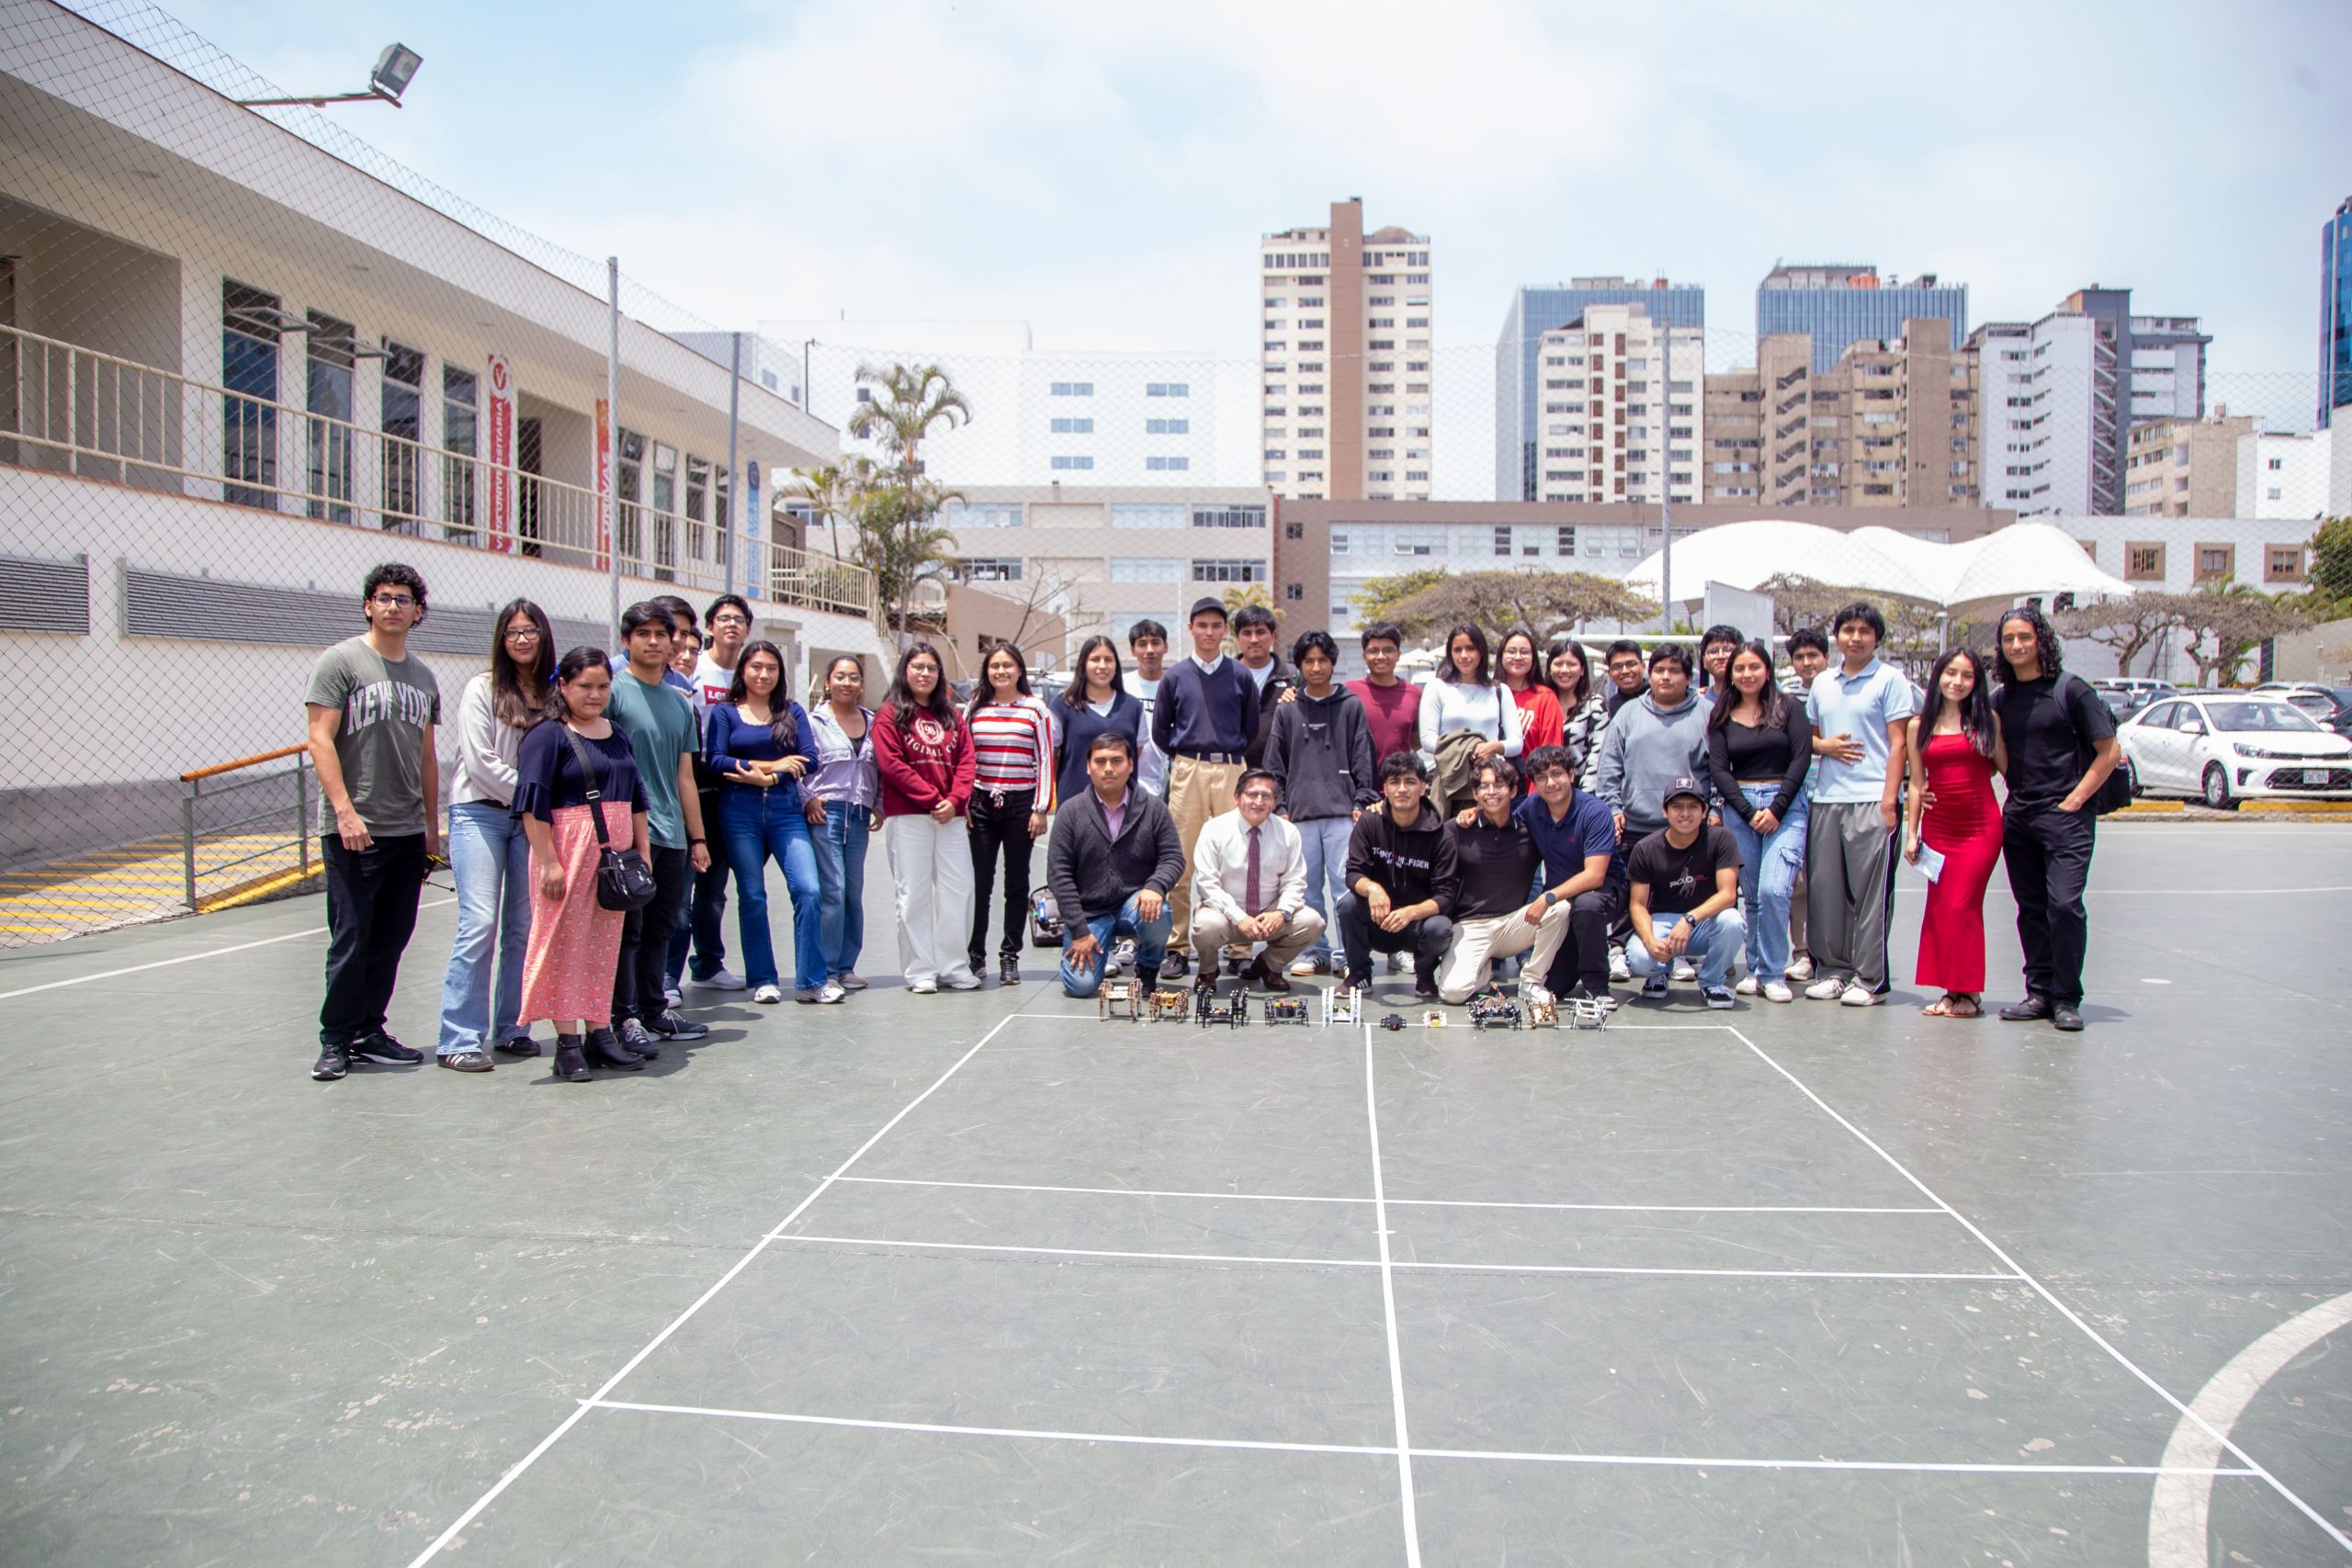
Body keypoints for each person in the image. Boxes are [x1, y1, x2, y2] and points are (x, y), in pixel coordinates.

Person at [306, 563, 442, 1082]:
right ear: (368, 606)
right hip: (355, 830)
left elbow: (427, 757)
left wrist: (430, 825)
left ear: (417, 611)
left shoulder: (424, 677)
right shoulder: (340, 661)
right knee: (352, 939)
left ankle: (369, 1030)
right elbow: (319, 739)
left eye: (403, 599)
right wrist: (344, 811)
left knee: (391, 939)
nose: (392, 606)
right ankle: (336, 1039)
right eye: (383, 597)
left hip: (406, 831)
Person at [514, 649, 652, 1081]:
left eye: (603, 686)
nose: (595, 695)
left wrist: (643, 852)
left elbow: (636, 798)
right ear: (563, 685)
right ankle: (568, 1044)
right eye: (585, 686)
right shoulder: (547, 736)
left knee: (602, 946)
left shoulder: (616, 733)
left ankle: (599, 1035)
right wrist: (549, 862)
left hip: (613, 859)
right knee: (563, 945)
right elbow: (532, 806)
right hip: (568, 851)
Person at [435, 598, 550, 1072]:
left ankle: (512, 1028)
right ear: (501, 640)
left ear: (543, 636)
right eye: (512, 632)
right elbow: (479, 762)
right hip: (479, 814)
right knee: (480, 922)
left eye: (530, 631)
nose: (521, 640)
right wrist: (534, 795)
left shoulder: (553, 693)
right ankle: (458, 1038)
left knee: (523, 927)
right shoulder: (481, 688)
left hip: (530, 821)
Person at [1992, 605, 2119, 1033]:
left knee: (2064, 906)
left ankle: (2066, 998)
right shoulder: (2001, 698)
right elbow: (1996, 753)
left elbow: (2109, 751)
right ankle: (2039, 992)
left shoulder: (2070, 690)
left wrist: (2077, 798)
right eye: (2009, 639)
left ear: (2041, 640)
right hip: (2020, 816)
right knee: (2031, 909)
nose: (2016, 645)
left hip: (2067, 818)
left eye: (2024, 637)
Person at [605, 603, 713, 1053]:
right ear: (626, 640)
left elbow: (685, 777)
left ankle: (653, 1009)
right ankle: (623, 1017)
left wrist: (697, 837)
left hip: (671, 835)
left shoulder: (680, 704)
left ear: (674, 643)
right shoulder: (612, 692)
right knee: (628, 931)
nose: (653, 641)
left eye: (661, 634)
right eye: (643, 633)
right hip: (627, 833)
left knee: (662, 926)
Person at [1803, 602, 1916, 1007]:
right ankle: (1834, 971)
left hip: (1872, 799)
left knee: (1870, 897)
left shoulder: (1891, 680)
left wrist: (1890, 800)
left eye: (1864, 631)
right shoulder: (1822, 683)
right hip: (1827, 799)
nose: (1855, 638)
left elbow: (1899, 743)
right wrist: (1824, 746)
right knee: (1825, 891)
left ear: (1876, 639)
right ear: (1836, 636)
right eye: (1848, 630)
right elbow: (1810, 738)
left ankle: (1870, 979)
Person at [706, 639, 823, 1004]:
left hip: (785, 809)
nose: (763, 674)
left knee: (808, 889)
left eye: (771, 668)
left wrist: (771, 780)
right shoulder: (725, 713)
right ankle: (763, 979)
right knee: (753, 894)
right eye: (756, 666)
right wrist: (770, 766)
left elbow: (809, 759)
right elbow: (716, 760)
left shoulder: (792, 711)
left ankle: (811, 981)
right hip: (738, 810)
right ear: (743, 670)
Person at [1153, 597, 1261, 978]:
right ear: (1190, 628)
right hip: (1188, 769)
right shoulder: (1175, 677)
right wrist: (1189, 758)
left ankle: (1240, 948)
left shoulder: (1240, 675)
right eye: (1202, 625)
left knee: (1239, 860)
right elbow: (1161, 730)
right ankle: (1178, 947)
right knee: (1181, 861)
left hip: (1232, 769)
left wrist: (1228, 755)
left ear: (1225, 631)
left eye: (1216, 625)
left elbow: (1251, 728)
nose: (1209, 632)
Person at [1705, 639, 1813, 1004]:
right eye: (1740, 668)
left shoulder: (1790, 709)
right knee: (1751, 895)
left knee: (1773, 890)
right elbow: (1720, 770)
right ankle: (1754, 969)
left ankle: (1773, 972)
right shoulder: (1721, 716)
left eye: (1754, 667)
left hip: (1786, 805)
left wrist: (1777, 809)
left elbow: (1801, 759)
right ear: (1731, 674)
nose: (1747, 674)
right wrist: (1748, 812)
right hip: (1741, 808)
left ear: (1768, 671)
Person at [1904, 649, 2007, 1020]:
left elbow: (2002, 767)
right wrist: (1912, 833)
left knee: (1962, 906)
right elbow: (1917, 782)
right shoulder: (1919, 725)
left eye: (1967, 675)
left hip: (1980, 827)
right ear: (1938, 676)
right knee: (1942, 908)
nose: (1957, 682)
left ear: (1977, 682)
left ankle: (1970, 994)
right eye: (1951, 673)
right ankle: (1952, 991)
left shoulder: (1987, 720)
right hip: (1938, 828)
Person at [1267, 629, 1376, 976]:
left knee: (1346, 888)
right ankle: (1315, 952)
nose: (1316, 667)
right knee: (1306, 891)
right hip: (1299, 817)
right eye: (1309, 661)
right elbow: (1274, 764)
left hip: (1344, 814)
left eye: (1323, 660)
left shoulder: (1350, 705)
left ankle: (1348, 955)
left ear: (1333, 663)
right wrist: (1281, 808)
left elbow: (1363, 757)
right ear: (1299, 665)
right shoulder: (1286, 710)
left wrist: (1362, 800)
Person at [875, 642, 980, 993]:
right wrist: (934, 799)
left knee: (959, 890)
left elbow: (966, 761)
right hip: (909, 817)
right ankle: (921, 970)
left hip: (951, 818)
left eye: (931, 668)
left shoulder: (951, 714)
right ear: (905, 670)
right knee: (913, 896)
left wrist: (955, 800)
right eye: (918, 666)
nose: (925, 673)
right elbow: (892, 765)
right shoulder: (890, 714)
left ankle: (954, 966)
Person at [1048, 732, 1183, 998]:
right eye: (1100, 761)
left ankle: (1147, 967)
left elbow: (1173, 857)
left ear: (1131, 765)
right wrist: (1079, 931)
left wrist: (1155, 886)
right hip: (1088, 913)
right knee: (1081, 986)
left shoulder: (1154, 808)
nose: (1108, 768)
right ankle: (1096, 948)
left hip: (1134, 904)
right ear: (1088, 767)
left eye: (1117, 761)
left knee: (1160, 913)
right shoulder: (1070, 812)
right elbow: (1058, 875)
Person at [1433, 756, 1573, 1003]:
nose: (1492, 792)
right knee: (1453, 993)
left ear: (1513, 791)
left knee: (1559, 908)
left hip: (1513, 924)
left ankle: (1531, 981)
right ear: (1475, 794)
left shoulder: (1530, 831)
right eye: (1484, 786)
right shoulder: (1456, 829)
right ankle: (1481, 972)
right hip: (1470, 926)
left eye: (1499, 785)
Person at [965, 641, 1057, 987]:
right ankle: (975, 953)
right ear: (987, 671)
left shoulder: (1035, 709)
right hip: (981, 806)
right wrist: (964, 802)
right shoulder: (975, 708)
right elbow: (965, 758)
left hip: (1021, 807)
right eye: (995, 666)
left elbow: (1045, 759)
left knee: (1016, 884)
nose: (1001, 671)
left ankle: (1009, 954)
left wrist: (1040, 808)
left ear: (1019, 670)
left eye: (1008, 665)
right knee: (980, 884)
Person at [677, 593, 755, 994]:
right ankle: (665, 976)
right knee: (679, 889)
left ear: (748, 629)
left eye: (739, 619)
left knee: (712, 890)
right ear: (710, 627)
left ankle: (707, 965)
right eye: (724, 619)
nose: (731, 625)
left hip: (728, 788)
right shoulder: (693, 666)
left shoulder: (750, 673)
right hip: (688, 784)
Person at [1188, 769, 1324, 990]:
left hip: (1269, 913)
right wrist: (1240, 917)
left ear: (1275, 802)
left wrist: (1281, 913)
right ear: (1237, 797)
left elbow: (1295, 882)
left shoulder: (1288, 832)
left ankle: (1269, 965)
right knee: (1206, 926)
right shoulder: (1214, 829)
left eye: (1266, 796)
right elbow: (1207, 884)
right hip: (1226, 914)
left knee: (1312, 922)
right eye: (1252, 794)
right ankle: (1208, 971)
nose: (1259, 802)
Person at [1337, 752, 1459, 998]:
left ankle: (1425, 975)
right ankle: (1359, 974)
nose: (1402, 789)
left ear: (1423, 788)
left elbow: (1446, 896)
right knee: (1348, 904)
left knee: (1440, 927)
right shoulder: (1370, 822)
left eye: (1410, 782)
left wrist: (1410, 913)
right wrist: (1373, 888)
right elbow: (1353, 873)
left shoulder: (1441, 835)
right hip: (1378, 918)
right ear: (1385, 788)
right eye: (1395, 782)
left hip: (1417, 924)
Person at [1510, 745, 1622, 1004]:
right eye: (1541, 778)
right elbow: (1502, 820)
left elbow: (1594, 876)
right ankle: (1577, 960)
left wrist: (1547, 897)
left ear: (1572, 775)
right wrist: (1473, 813)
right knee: (1555, 985)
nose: (1550, 783)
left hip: (1603, 891)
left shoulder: (1595, 812)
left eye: (1557, 774)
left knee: (1586, 904)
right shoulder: (1532, 806)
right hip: (1562, 899)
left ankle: (1597, 985)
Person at [1625, 776, 1747, 1009]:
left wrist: (1690, 919)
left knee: (1732, 921)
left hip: (1704, 923)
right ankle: (1659, 973)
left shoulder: (1721, 838)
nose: (1685, 814)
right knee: (1640, 958)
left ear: (1704, 811)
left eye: (1693, 807)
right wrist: (1650, 941)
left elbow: (1728, 894)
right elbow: (1637, 904)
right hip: (1663, 924)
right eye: (1677, 807)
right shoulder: (1646, 848)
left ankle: (1712, 982)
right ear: (1664, 811)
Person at [806, 655, 880, 997]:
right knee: (832, 891)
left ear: (861, 684)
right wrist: (807, 798)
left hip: (859, 815)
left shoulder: (872, 722)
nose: (846, 683)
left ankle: (847, 966)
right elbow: (800, 767)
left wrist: (878, 804)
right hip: (826, 813)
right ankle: (826, 970)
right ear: (827, 682)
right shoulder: (813, 722)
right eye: (840, 676)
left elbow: (879, 769)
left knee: (853, 892)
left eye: (853, 677)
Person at [1589, 643, 1714, 845]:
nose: (1665, 677)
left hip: (1691, 826)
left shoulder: (1708, 713)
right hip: (1634, 827)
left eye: (1674, 671)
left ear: (1688, 678)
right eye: (1659, 670)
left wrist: (1715, 809)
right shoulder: (1628, 713)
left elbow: (1719, 768)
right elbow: (1609, 767)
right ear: (1650, 674)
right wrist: (1613, 808)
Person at [1419, 623, 1525, 816]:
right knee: (1447, 831)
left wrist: (1493, 747)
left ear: (1481, 651)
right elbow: (1427, 740)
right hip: (1448, 779)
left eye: (1470, 648)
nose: (1464, 655)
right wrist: (1470, 750)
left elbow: (1516, 743)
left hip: (1490, 780)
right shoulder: (1437, 687)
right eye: (1457, 649)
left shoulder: (1499, 690)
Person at [1781, 626, 1833, 984]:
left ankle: (1834, 954)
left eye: (1813, 655)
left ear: (1827, 657)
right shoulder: (1786, 697)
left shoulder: (1839, 690)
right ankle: (1802, 954)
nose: (1806, 662)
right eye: (1799, 657)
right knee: (1797, 881)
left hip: (1836, 797)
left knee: (1830, 881)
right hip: (1799, 797)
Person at [1054, 634, 1145, 808]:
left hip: (1123, 808)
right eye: (1095, 659)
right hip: (1074, 805)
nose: (1102, 666)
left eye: (1108, 660)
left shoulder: (1133, 706)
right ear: (1083, 664)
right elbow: (1052, 758)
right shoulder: (1062, 706)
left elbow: (1136, 752)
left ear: (1116, 665)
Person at [1347, 621, 1424, 773]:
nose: (1381, 656)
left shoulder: (1414, 694)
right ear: (1364, 657)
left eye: (1388, 650)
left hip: (1398, 782)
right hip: (1359, 782)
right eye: (1374, 650)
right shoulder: (1349, 691)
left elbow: (1416, 742)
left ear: (1398, 655)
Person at [1230, 604, 1295, 767]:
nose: (1254, 640)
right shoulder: (1224, 677)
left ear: (1273, 636)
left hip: (1280, 771)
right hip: (1234, 771)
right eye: (1247, 633)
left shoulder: (1293, 677)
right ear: (1238, 639)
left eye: (1260, 632)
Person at [1544, 638, 1609, 779]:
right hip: (1545, 786)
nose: (1564, 670)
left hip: (1582, 786)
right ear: (1549, 668)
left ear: (1582, 670)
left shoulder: (1594, 706)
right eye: (1558, 664)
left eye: (1572, 664)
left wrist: (1586, 792)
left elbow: (1597, 756)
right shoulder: (1542, 704)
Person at [1498, 628, 1566, 753]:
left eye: (1524, 652)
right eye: (1511, 652)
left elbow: (1552, 752)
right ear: (1501, 655)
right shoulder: (1489, 693)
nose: (1518, 657)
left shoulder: (1546, 698)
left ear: (1533, 657)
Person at [1126, 619, 1171, 799]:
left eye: (1156, 643)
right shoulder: (1122, 685)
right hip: (1130, 779)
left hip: (1170, 779)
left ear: (1165, 647)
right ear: (1133, 650)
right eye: (1142, 644)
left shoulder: (1176, 684)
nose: (1150, 650)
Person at [1601, 639, 1648, 716]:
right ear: (1610, 674)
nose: (1625, 671)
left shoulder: (1656, 696)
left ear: (1643, 667)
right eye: (1617, 666)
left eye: (1631, 664)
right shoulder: (1614, 704)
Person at [1697, 624, 1744, 701]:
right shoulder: (1698, 701)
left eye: (1728, 650)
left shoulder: (1752, 699)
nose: (1721, 656)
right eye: (1714, 651)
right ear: (1704, 661)